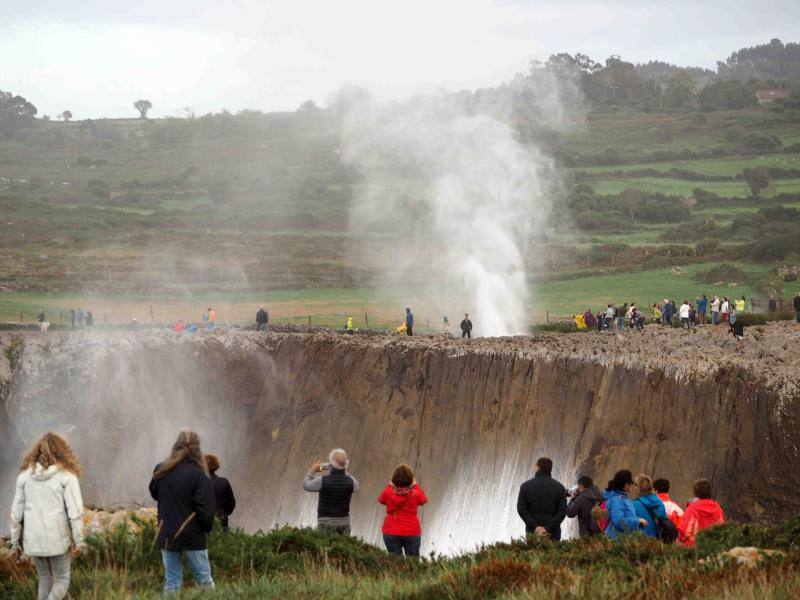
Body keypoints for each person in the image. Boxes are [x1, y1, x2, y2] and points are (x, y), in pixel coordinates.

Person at [10, 432, 85, 600]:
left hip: (33, 539)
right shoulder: (67, 477)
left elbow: (16, 514)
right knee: (62, 580)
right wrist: (79, 540)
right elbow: (75, 513)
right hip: (58, 538)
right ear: (63, 452)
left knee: (44, 579)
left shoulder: (24, 477)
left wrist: (15, 543)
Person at [149, 430, 216, 593]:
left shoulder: (161, 469)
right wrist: (207, 528)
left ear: (176, 446)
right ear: (196, 449)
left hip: (167, 534)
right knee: (204, 581)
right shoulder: (199, 473)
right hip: (192, 535)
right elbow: (205, 507)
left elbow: (154, 492)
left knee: (172, 582)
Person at [302, 448, 359, 534]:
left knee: (324, 547)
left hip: (325, 522)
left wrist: (312, 470)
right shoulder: (352, 482)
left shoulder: (322, 481)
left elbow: (306, 485)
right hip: (344, 522)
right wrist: (343, 469)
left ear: (331, 464)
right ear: (346, 463)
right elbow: (356, 486)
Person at [377, 464, 428, 557]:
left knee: (395, 563)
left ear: (394, 479)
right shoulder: (416, 493)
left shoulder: (388, 492)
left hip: (391, 531)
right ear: (411, 480)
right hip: (411, 531)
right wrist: (415, 485)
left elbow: (381, 500)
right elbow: (424, 500)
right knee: (413, 563)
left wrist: (389, 485)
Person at [516, 457, 567, 541]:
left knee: (532, 554)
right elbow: (562, 512)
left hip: (532, 532)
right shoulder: (559, 487)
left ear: (538, 468)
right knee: (553, 554)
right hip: (553, 533)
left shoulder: (525, 486)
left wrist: (535, 527)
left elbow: (521, 509)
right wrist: (547, 529)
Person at [679, 479, 725, 547]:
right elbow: (722, 529)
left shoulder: (692, 509)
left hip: (694, 549)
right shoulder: (718, 509)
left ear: (695, 492)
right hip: (714, 547)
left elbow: (685, 531)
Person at [603, 469, 647, 539]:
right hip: (617, 542)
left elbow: (627, 516)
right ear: (626, 485)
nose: (633, 485)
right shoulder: (617, 500)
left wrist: (638, 520)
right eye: (632, 483)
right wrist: (638, 521)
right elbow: (618, 521)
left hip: (623, 540)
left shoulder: (622, 498)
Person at [205, 454, 236, 532]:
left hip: (204, 524)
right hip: (221, 521)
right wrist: (223, 512)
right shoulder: (223, 482)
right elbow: (231, 503)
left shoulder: (197, 484)